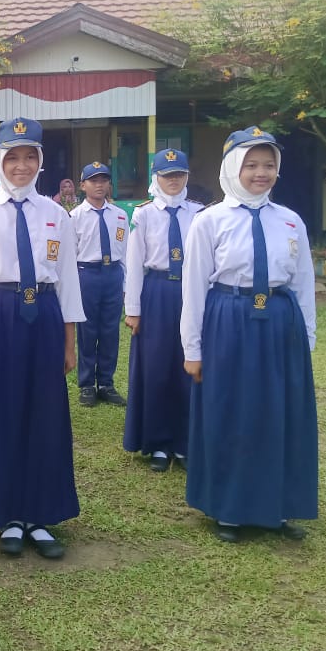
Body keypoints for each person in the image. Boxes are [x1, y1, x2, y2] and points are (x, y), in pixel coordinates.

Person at [180, 127, 317, 544]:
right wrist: (193, 348)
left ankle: (276, 506)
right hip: (228, 320)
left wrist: (305, 339)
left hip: (279, 323)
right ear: (232, 168)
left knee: (279, 415)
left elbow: (303, 284)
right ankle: (231, 509)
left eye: (269, 165)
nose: (261, 173)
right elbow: (194, 287)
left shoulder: (291, 221)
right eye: (251, 165)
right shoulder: (209, 222)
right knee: (232, 412)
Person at [0, 118, 83, 559]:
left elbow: (67, 280)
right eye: (12, 157)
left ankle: (40, 514)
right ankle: (7, 513)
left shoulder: (56, 216)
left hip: (44, 315)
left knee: (45, 412)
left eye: (30, 157)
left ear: (41, 161)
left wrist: (69, 342)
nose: (22, 166)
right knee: (0, 412)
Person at [123, 149, 201, 472]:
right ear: (156, 177)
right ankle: (157, 443)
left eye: (179, 174)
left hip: (189, 290)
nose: (174, 180)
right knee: (155, 368)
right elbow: (134, 264)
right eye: (168, 175)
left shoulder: (198, 213)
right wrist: (133, 308)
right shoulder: (143, 214)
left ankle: (185, 442)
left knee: (187, 366)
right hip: (155, 291)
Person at [69, 161, 129, 408]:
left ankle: (106, 382)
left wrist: (124, 283)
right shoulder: (74, 217)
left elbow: (124, 251)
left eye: (104, 180)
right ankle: (86, 385)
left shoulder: (120, 215)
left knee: (109, 330)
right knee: (87, 331)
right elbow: (70, 256)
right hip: (87, 275)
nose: (99, 185)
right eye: (94, 180)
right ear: (83, 185)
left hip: (112, 274)